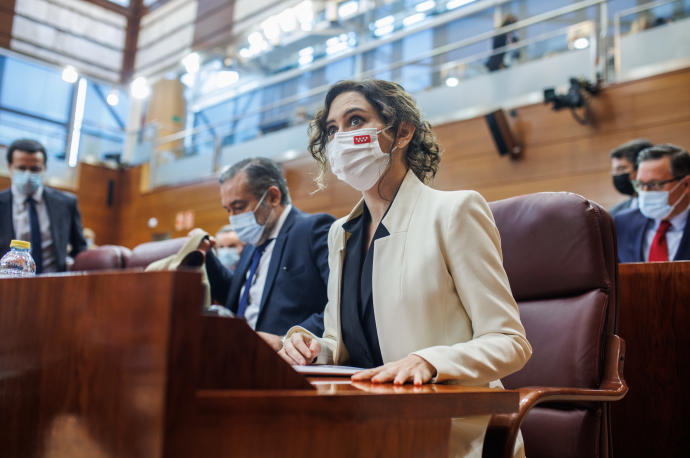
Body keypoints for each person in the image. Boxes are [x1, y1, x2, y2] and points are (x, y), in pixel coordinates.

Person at [279, 80, 531, 458]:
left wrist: (430, 361)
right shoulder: (340, 233)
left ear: (402, 131)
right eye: (332, 129)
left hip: (445, 430)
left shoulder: (455, 212)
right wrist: (312, 347)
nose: (341, 137)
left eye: (355, 120)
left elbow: (510, 342)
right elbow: (343, 342)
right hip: (362, 424)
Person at [202, 157, 334, 351]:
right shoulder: (252, 245)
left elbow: (340, 306)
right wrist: (208, 257)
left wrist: (285, 340)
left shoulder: (313, 230)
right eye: (228, 210)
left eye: (239, 207)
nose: (233, 218)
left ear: (273, 197)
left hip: (288, 362)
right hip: (238, 355)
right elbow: (236, 297)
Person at [0, 138, 87, 272]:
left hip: (54, 284)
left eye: (35, 169)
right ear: (10, 166)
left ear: (44, 168)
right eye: (21, 168)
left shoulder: (66, 203)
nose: (28, 174)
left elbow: (80, 249)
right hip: (9, 286)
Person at [614, 144, 690, 262]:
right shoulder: (622, 224)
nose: (645, 192)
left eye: (654, 185)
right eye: (640, 184)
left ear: (686, 184)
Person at [609, 139, 653, 216]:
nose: (616, 174)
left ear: (641, 168)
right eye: (613, 170)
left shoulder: (660, 209)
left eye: (621, 169)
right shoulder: (615, 213)